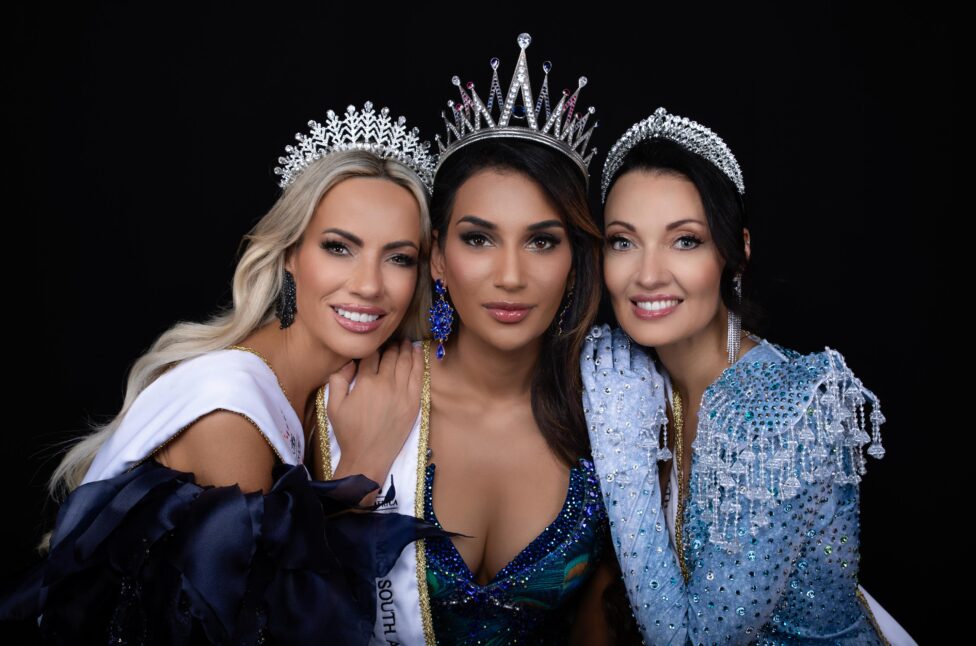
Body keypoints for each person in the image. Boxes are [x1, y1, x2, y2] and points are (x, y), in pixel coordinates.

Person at [1, 101, 444, 644]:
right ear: (289, 254)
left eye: (398, 257)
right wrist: (364, 471)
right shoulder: (229, 413)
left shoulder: (327, 390)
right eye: (338, 248)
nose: (370, 285)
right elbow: (272, 629)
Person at [580, 108, 911, 644]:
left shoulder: (784, 412)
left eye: (685, 240)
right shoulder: (631, 372)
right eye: (623, 241)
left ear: (736, 255)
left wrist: (623, 460)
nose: (646, 274)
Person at [319, 34, 609, 644]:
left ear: (575, 263)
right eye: (478, 239)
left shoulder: (610, 418)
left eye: (542, 240)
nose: (510, 275)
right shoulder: (354, 393)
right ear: (437, 261)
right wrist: (355, 475)